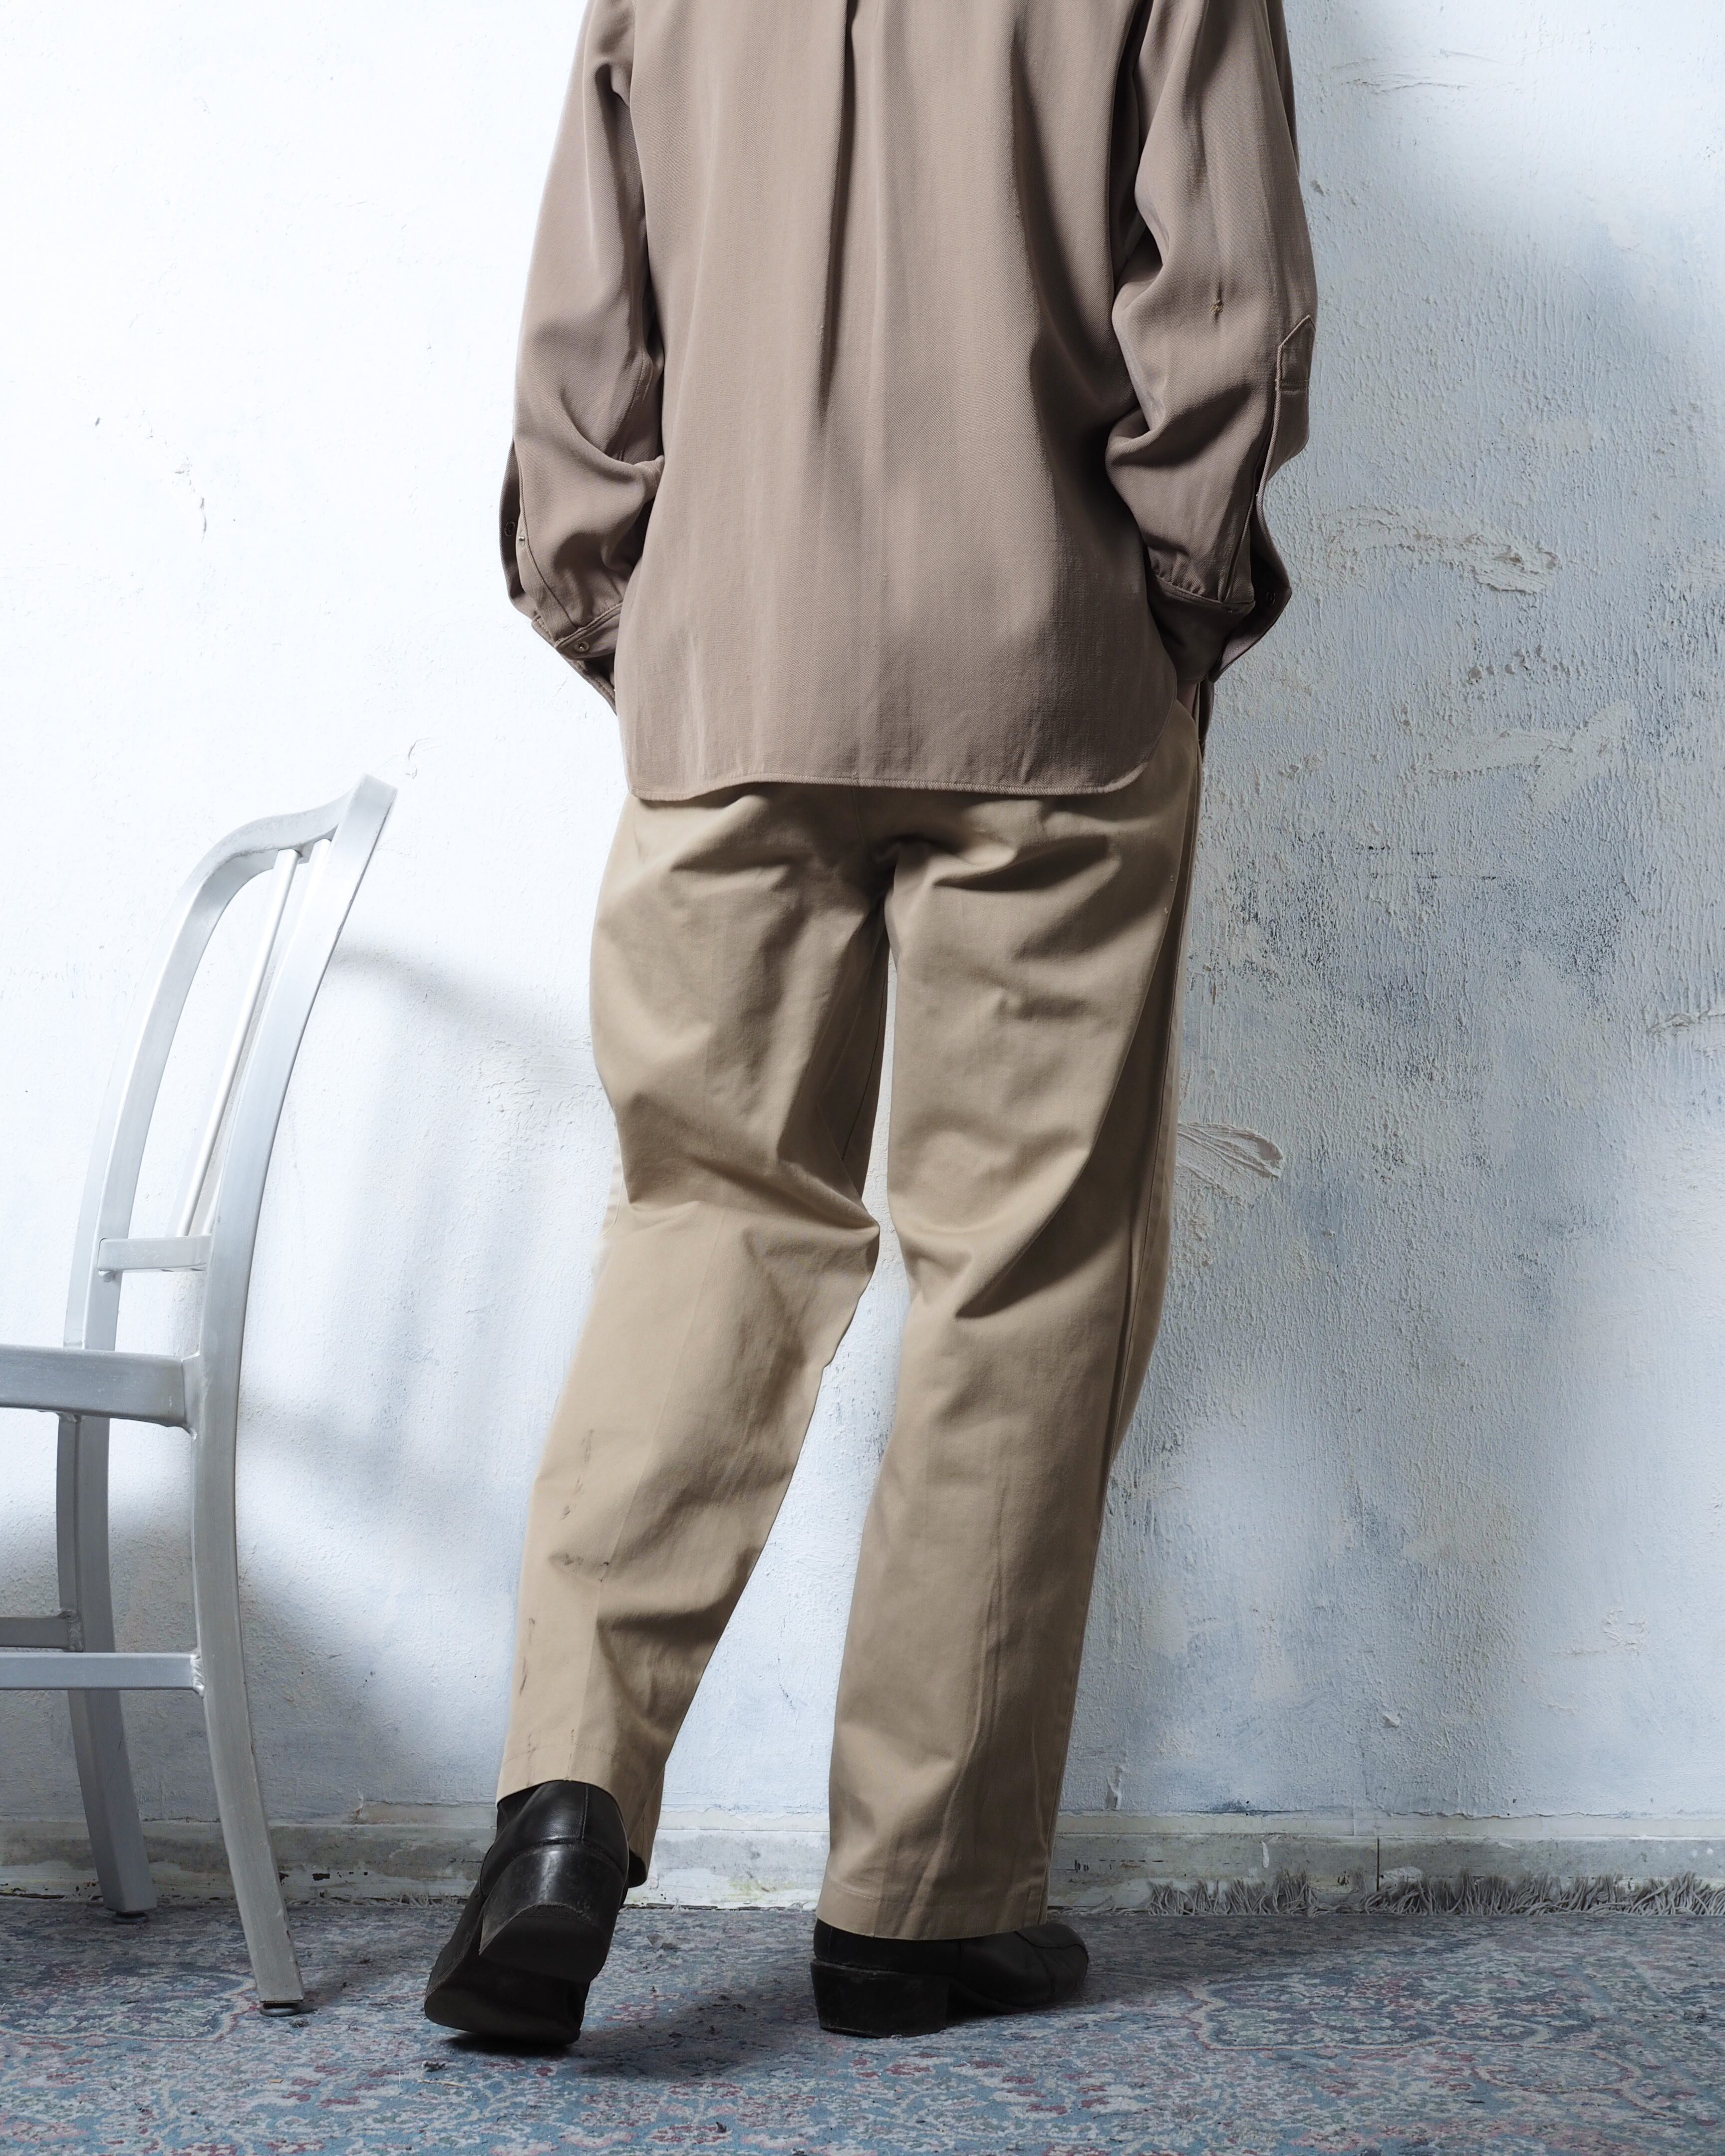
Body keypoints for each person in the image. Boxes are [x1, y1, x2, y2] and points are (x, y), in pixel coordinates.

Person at [426, 0, 1315, 2045]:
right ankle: (920, 1906)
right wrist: (1171, 611)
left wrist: (632, 618)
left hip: (732, 665)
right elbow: (1230, 309)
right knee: (1024, 1268)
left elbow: (585, 338)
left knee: (706, 1218)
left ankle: (563, 1807)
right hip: (1048, 668)